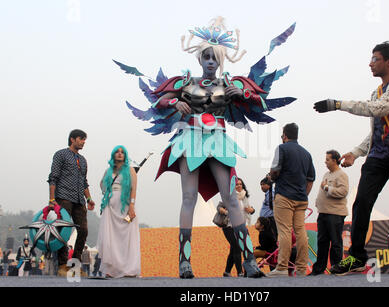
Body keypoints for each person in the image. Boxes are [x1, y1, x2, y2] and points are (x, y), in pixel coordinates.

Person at [119, 17, 297, 278]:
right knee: (188, 198)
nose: (211, 61)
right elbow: (158, 103)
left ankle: (248, 261)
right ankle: (185, 262)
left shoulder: (230, 84)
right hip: (190, 138)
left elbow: (261, 103)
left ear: (221, 60)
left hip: (218, 140)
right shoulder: (186, 83)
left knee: (231, 199)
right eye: (206, 57)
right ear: (199, 59)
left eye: (215, 58)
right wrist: (173, 104)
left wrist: (245, 95)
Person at [314, 41, 389, 274]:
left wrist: (337, 104)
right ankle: (356, 256)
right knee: (362, 202)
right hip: (378, 155)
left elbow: (379, 109)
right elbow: (377, 129)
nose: (370, 63)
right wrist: (356, 153)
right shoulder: (375, 92)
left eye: (375, 59)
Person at [267, 123, 315, 277]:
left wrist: (271, 177)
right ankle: (301, 268)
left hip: (285, 196)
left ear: (285, 135)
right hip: (301, 198)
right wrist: (304, 195)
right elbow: (311, 179)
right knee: (301, 232)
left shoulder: (282, 149)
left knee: (285, 231)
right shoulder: (307, 154)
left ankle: (281, 267)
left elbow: (275, 170)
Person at [47, 129, 95, 277]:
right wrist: (51, 200)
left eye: (84, 140)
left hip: (80, 200)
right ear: (72, 139)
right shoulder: (60, 155)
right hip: (63, 198)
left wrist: (89, 199)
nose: (83, 142)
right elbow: (53, 177)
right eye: (81, 139)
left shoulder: (83, 160)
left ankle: (75, 265)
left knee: (83, 230)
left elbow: (84, 182)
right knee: (64, 231)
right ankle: (62, 265)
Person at [97, 145, 140, 278]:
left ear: (125, 155)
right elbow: (102, 185)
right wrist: (108, 191)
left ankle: (129, 269)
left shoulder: (130, 171)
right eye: (117, 152)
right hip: (110, 207)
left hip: (125, 205)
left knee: (126, 238)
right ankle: (112, 269)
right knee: (111, 238)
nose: (120, 154)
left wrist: (132, 206)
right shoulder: (108, 171)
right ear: (113, 155)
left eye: (122, 152)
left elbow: (134, 189)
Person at [310, 150, 349, 276]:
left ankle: (336, 267)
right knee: (322, 242)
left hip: (335, 213)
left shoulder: (341, 175)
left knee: (336, 242)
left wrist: (327, 188)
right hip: (323, 213)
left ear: (334, 160)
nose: (325, 162)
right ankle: (318, 269)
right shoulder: (327, 174)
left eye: (327, 159)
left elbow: (343, 191)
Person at [217, 201, 243, 277]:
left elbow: (246, 209)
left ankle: (227, 271)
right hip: (228, 226)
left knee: (233, 250)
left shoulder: (243, 197)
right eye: (236, 187)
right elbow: (219, 207)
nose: (238, 188)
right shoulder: (228, 197)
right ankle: (240, 272)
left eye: (240, 187)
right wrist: (224, 211)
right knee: (237, 247)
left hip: (240, 227)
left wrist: (252, 210)